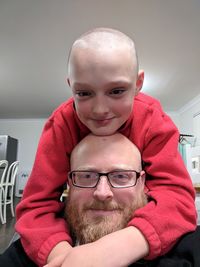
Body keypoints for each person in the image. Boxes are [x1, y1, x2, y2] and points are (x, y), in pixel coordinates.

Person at [15, 28, 196, 267]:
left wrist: (121, 246)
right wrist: (64, 258)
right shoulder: (61, 124)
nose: (100, 109)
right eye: (84, 93)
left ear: (138, 83)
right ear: (71, 87)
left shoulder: (154, 120)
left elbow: (178, 196)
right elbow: (36, 204)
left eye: (117, 91)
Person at [1, 133, 200, 267]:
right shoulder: (28, 252)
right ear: (69, 184)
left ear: (142, 183)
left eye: (121, 176)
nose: (102, 193)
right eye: (86, 176)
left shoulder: (189, 247)